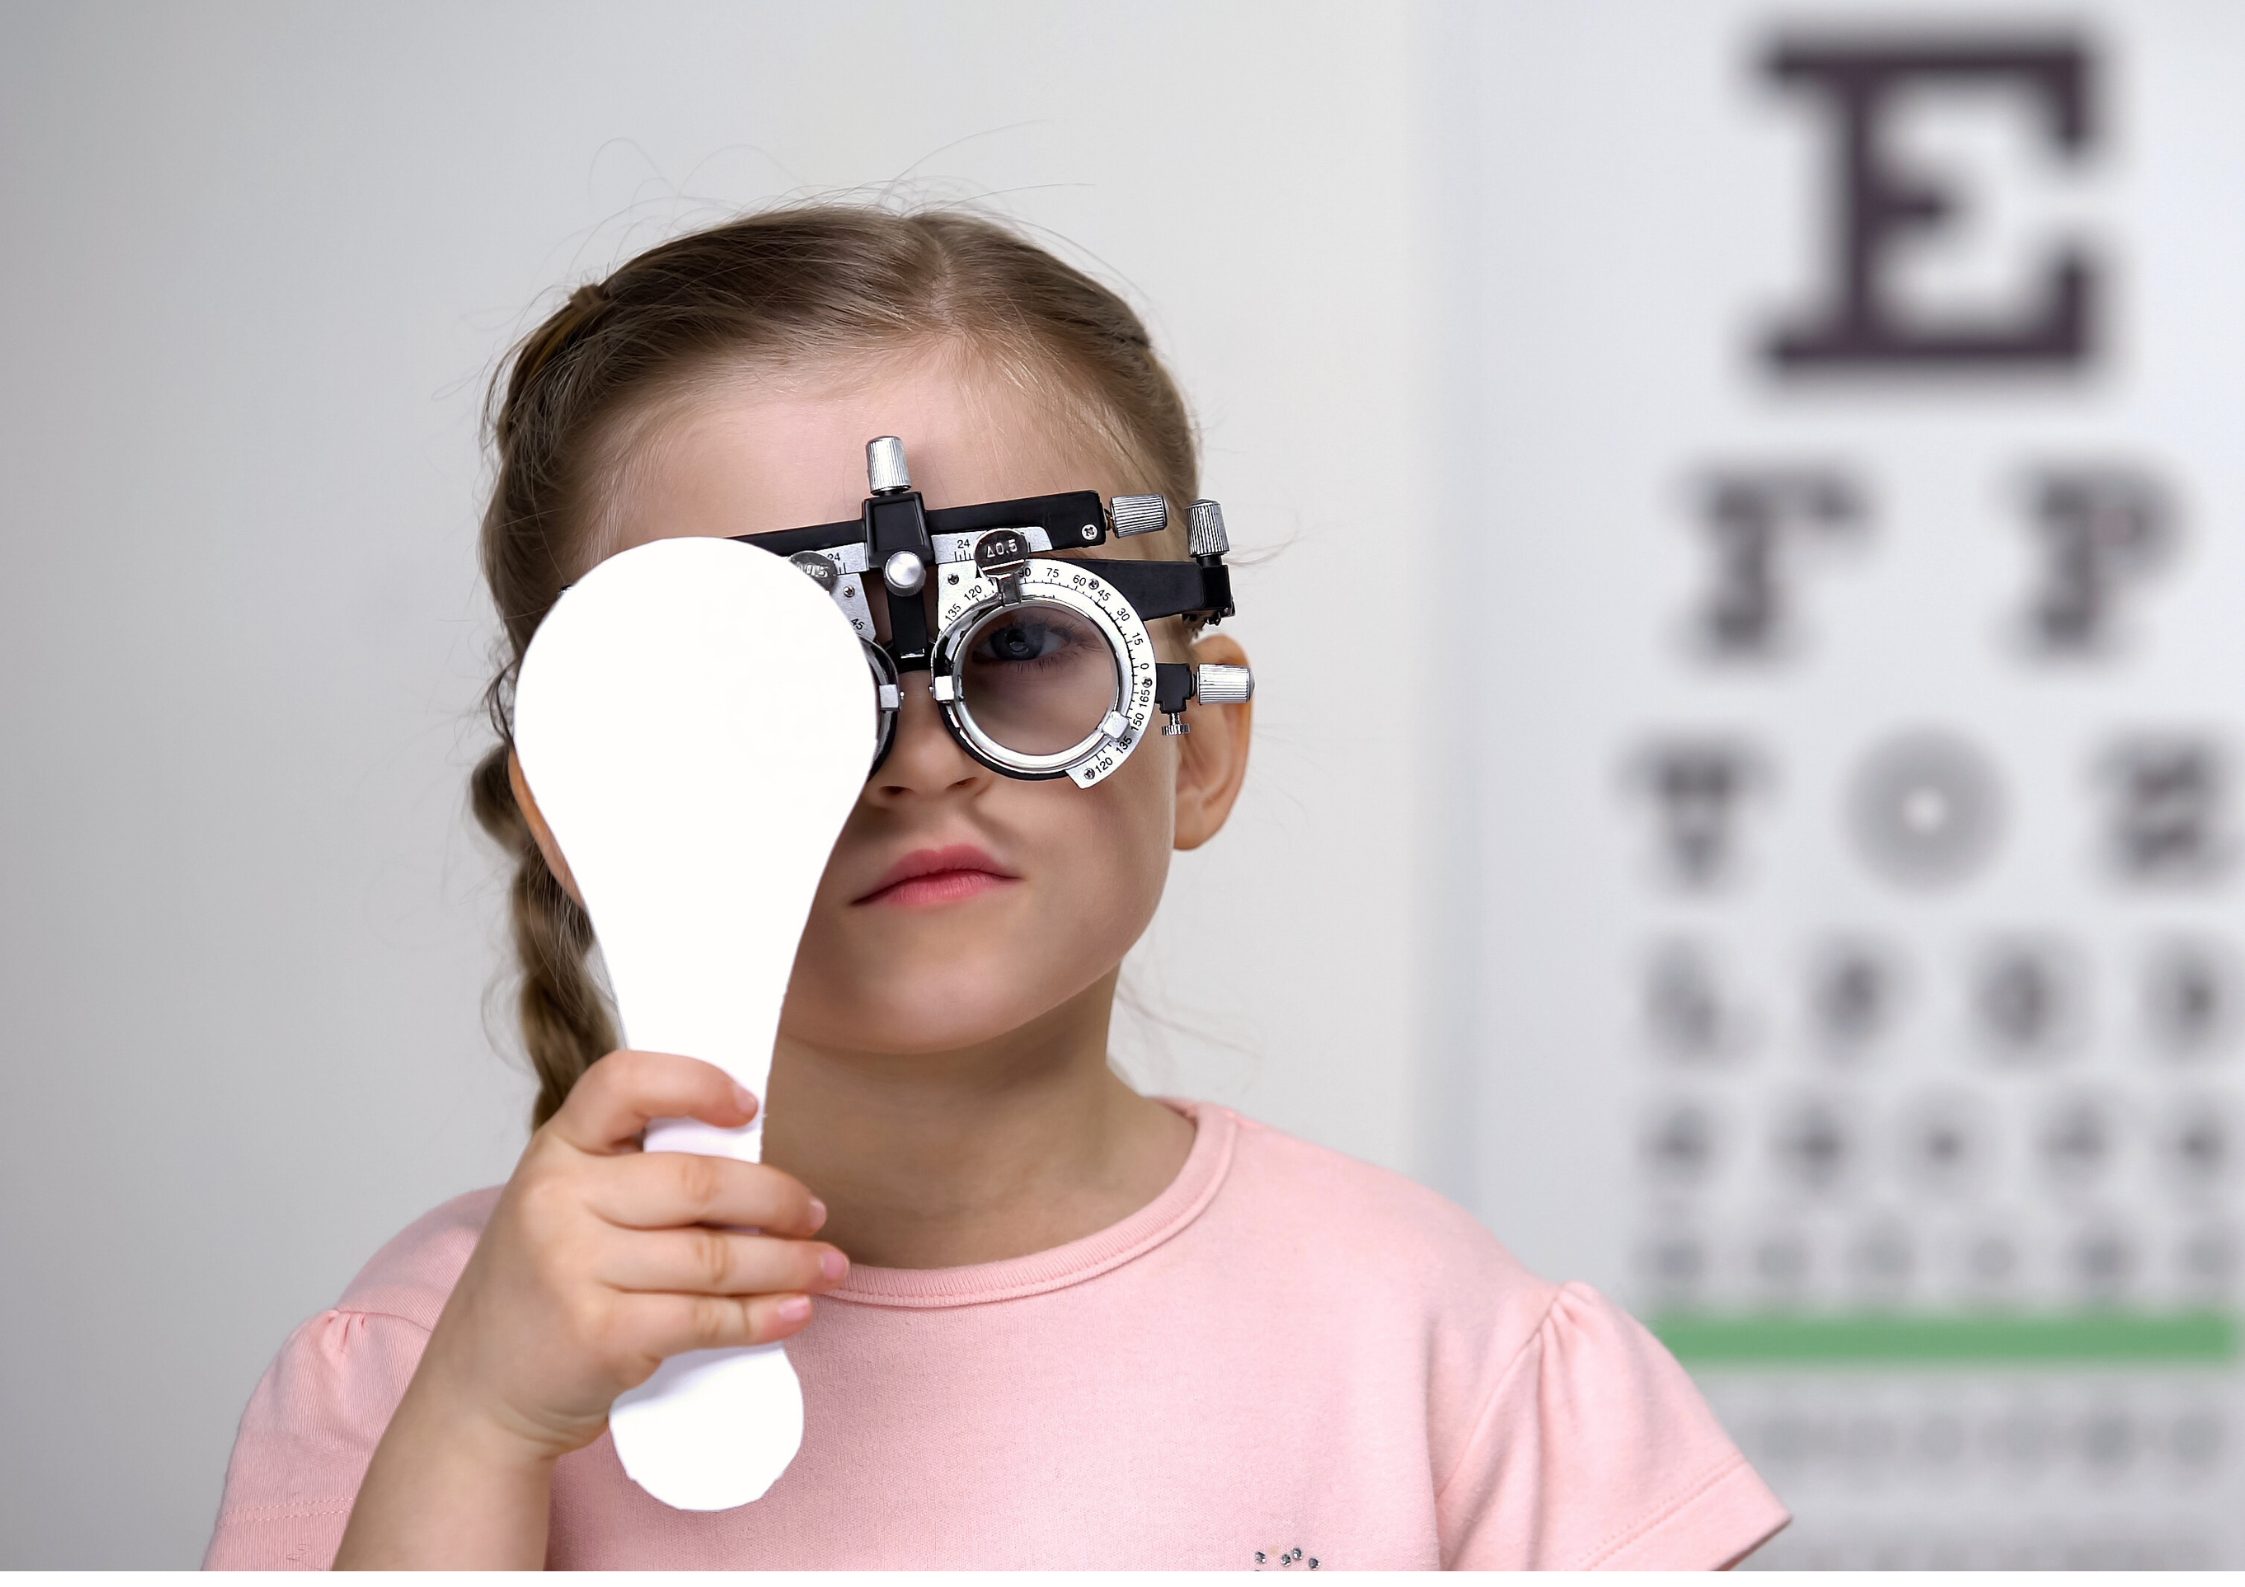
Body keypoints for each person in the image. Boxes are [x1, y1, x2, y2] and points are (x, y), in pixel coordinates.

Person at [199, 199, 1791, 1570]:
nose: (911, 763)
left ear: (1201, 746)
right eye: (769, 689)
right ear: (593, 818)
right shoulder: (424, 1371)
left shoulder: (1442, 1357)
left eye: (1021, 648)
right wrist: (481, 1428)